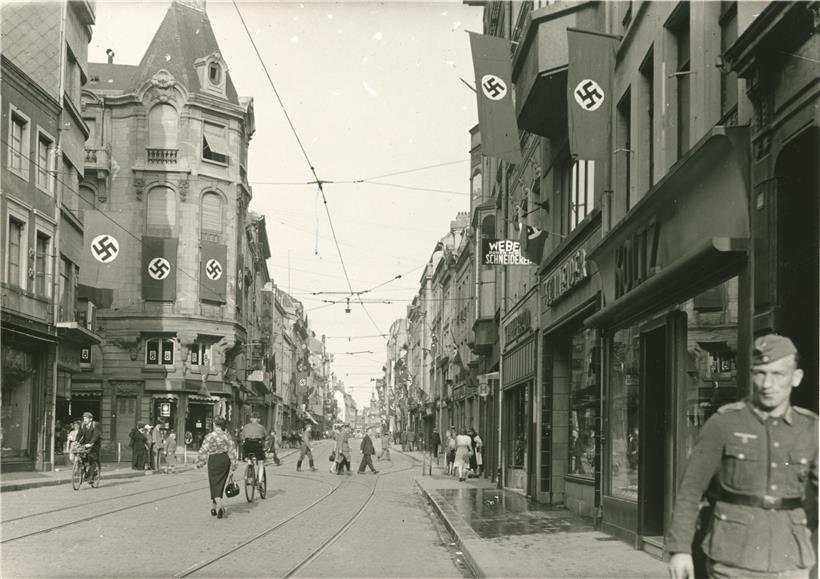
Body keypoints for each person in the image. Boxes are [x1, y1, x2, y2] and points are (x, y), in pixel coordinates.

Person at [667, 334, 818, 579]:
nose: (767, 384)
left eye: (778, 374)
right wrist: (680, 549)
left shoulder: (810, 428)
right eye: (760, 373)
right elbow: (690, 490)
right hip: (732, 559)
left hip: (791, 559)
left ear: (796, 377)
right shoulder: (724, 423)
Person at [195, 416, 237, 519]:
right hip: (224, 459)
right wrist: (233, 464)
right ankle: (213, 508)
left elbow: (204, 450)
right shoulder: (227, 435)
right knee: (219, 485)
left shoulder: (210, 436)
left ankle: (220, 507)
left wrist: (200, 462)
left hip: (214, 460)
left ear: (215, 424)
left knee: (214, 484)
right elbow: (232, 450)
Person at [75, 411, 102, 482]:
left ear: (91, 419)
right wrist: (76, 441)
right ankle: (83, 470)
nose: (85, 420)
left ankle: (91, 477)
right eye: (84, 418)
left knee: (92, 459)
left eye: (86, 418)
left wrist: (91, 443)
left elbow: (96, 435)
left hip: (94, 444)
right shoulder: (82, 424)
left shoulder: (96, 424)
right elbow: (79, 434)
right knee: (81, 456)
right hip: (85, 443)